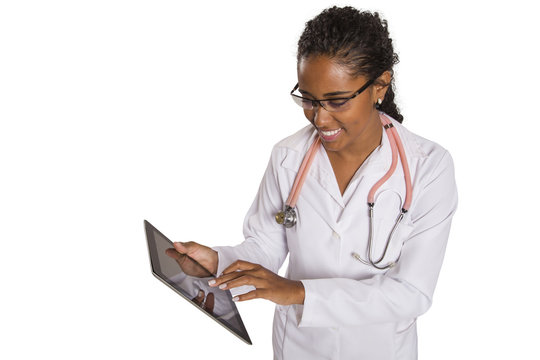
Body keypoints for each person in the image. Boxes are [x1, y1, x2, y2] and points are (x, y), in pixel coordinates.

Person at [169, 6, 458, 359]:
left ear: (380, 85)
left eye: (336, 101)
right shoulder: (288, 157)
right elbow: (265, 247)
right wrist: (217, 261)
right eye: (308, 99)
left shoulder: (428, 167)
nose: (319, 118)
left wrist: (299, 292)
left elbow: (411, 292)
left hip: (380, 349)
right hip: (299, 348)